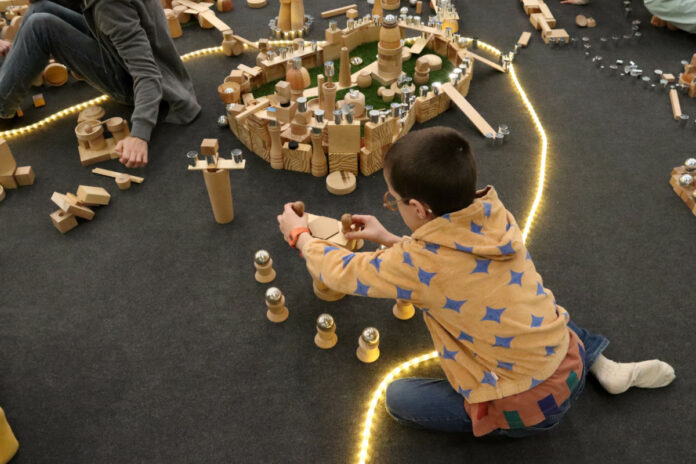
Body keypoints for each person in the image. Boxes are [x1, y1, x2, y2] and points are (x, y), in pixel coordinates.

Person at [277, 126, 675, 436]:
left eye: (393, 200)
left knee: (398, 399)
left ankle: (507, 418)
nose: (392, 205)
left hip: (531, 409)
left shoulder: (417, 263)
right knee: (533, 304)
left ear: (418, 208)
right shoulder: (493, 212)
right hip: (566, 357)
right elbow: (449, 264)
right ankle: (601, 364)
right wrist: (387, 237)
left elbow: (342, 273)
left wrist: (301, 236)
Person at [0, 0, 201, 168]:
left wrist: (139, 135)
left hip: (132, 83)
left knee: (40, 26)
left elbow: (147, 73)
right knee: (40, 7)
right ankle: (7, 79)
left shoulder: (109, 6)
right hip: (116, 50)